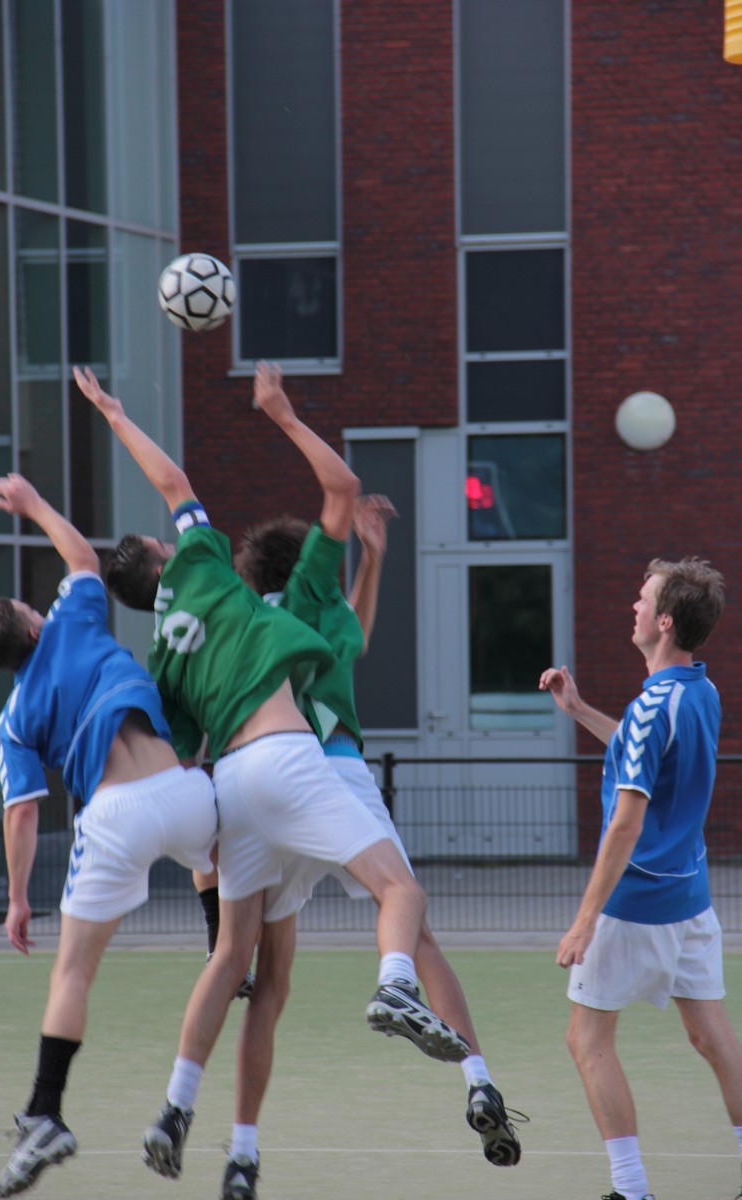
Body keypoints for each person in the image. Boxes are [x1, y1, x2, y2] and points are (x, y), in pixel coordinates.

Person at [72, 363, 471, 1196]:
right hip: (289, 757)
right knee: (399, 893)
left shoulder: (160, 659)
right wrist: (114, 411)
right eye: (160, 538)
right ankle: (395, 990)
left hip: (230, 788)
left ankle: (180, 1109)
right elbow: (174, 477)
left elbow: (179, 761)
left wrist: (201, 863)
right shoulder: (207, 561)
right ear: (162, 556)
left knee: (233, 961)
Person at [230, 363, 524, 1183]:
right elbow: (349, 592)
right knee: (413, 923)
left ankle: (236, 1140)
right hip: (332, 774)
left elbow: (354, 629)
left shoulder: (259, 621)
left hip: (259, 787)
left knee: (260, 969)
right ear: (309, 569)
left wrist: (374, 562)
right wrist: (285, 415)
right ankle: (477, 1076)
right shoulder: (313, 604)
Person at [0, 474, 218, 1199]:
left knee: (72, 974)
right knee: (216, 852)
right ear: (36, 625)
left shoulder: (13, 718)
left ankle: (46, 1113)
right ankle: (223, 947)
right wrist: (34, 504)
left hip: (114, 817)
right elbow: (81, 557)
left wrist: (18, 899)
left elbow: (22, 811)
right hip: (184, 790)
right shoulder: (76, 619)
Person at [539, 557, 742, 1200]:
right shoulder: (697, 690)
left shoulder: (655, 704)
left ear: (663, 621)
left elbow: (626, 822)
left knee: (586, 1039)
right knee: (712, 1038)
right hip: (690, 898)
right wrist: (578, 710)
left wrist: (584, 919)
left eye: (642, 596)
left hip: (638, 902)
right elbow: (640, 748)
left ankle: (631, 1190)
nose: (632, 604)